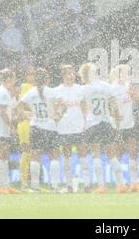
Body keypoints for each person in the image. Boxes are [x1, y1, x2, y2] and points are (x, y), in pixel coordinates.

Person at [79, 62, 126, 194]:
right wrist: (117, 118)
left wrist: (85, 119)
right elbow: (114, 105)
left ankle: (101, 186)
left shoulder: (84, 89)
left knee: (96, 155)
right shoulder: (106, 87)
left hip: (92, 123)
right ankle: (121, 184)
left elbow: (83, 106)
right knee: (112, 154)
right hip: (106, 122)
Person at [17, 68, 60, 192]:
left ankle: (35, 186)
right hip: (50, 127)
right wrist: (58, 115)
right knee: (54, 156)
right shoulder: (52, 92)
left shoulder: (31, 92)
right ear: (46, 79)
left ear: (36, 80)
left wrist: (26, 115)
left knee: (35, 156)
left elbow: (18, 106)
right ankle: (55, 186)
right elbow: (62, 103)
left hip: (36, 126)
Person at [54, 64, 90, 193]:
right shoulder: (57, 90)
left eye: (72, 73)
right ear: (63, 75)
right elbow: (55, 109)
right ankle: (69, 185)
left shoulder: (80, 89)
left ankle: (87, 184)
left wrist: (86, 121)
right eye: (68, 74)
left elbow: (84, 106)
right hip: (64, 128)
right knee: (67, 157)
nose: (71, 76)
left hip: (79, 127)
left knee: (83, 156)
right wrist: (58, 113)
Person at [109, 64, 139, 192]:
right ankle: (120, 184)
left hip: (130, 123)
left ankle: (134, 184)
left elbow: (137, 100)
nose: (128, 74)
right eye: (126, 72)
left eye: (128, 72)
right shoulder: (113, 88)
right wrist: (115, 115)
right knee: (118, 153)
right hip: (117, 126)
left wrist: (135, 96)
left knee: (133, 152)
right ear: (119, 74)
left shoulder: (129, 85)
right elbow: (109, 106)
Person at [0, 68, 20, 194]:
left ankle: (1, 185)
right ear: (8, 79)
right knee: (1, 156)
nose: (15, 81)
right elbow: (3, 112)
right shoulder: (4, 93)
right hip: (0, 128)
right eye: (14, 78)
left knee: (0, 156)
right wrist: (11, 126)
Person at [16, 66, 35, 191]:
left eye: (34, 74)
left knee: (32, 154)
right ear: (26, 76)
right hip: (26, 124)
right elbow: (23, 105)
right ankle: (24, 183)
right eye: (30, 74)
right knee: (27, 153)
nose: (32, 76)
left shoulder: (34, 87)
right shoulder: (26, 86)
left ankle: (31, 182)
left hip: (31, 123)